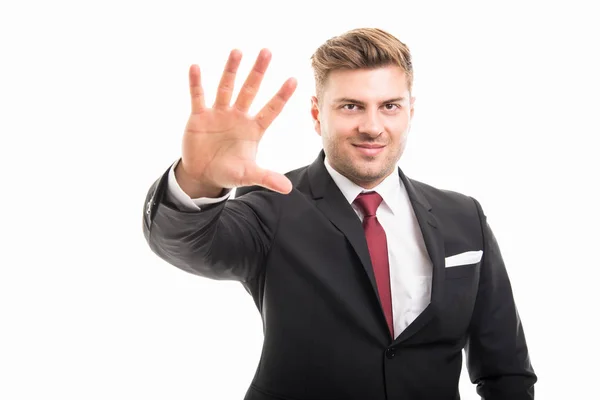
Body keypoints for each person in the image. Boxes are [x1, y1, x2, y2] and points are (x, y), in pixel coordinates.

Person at [142, 27, 536, 399]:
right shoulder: (271, 206)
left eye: (389, 106)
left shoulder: (463, 216)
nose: (372, 126)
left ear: (410, 111)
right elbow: (188, 243)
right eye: (351, 106)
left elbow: (506, 368)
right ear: (317, 114)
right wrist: (197, 179)